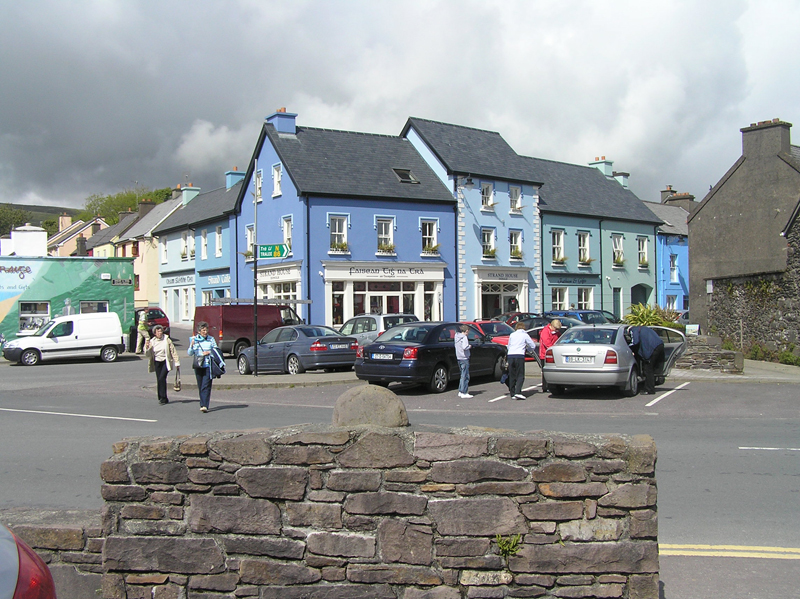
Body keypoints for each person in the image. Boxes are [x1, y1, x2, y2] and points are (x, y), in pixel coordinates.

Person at [145, 325, 180, 405]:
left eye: (161, 331)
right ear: (155, 333)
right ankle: (161, 397)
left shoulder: (166, 340)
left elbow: (173, 351)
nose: (160, 333)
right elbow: (148, 354)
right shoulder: (152, 341)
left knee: (162, 378)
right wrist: (147, 348)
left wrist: (177, 362)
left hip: (165, 361)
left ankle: (163, 398)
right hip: (157, 362)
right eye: (158, 331)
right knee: (159, 379)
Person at [189, 321, 218, 412]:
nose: (205, 332)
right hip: (198, 365)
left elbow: (216, 351)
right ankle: (202, 403)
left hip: (208, 365)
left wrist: (209, 352)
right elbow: (190, 353)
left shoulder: (211, 339)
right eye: (203, 330)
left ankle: (205, 405)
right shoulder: (195, 339)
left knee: (206, 385)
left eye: (206, 330)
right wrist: (191, 345)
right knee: (200, 385)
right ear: (199, 331)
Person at [630, 325, 665, 395]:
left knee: (648, 369)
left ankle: (649, 390)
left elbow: (635, 342)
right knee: (652, 368)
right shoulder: (645, 328)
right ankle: (652, 385)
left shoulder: (634, 330)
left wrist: (629, 348)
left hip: (652, 349)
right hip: (660, 345)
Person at [506, 322, 537, 400]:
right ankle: (518, 392)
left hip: (510, 355)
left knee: (512, 374)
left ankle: (512, 393)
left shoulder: (512, 335)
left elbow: (509, 346)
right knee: (520, 374)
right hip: (519, 355)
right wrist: (528, 350)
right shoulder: (525, 335)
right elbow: (533, 345)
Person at [539, 319, 562, 392]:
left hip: (554, 353)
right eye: (556, 329)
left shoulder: (556, 332)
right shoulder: (545, 331)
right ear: (551, 326)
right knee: (545, 372)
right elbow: (547, 343)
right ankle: (545, 387)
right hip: (545, 354)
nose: (557, 330)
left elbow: (559, 339)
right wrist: (553, 349)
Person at [454, 324, 472, 398]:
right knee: (466, 375)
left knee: (462, 374)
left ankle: (461, 391)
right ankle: (464, 392)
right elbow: (465, 347)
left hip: (459, 357)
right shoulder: (464, 338)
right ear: (466, 331)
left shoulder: (456, 336)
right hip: (464, 357)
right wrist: (469, 346)